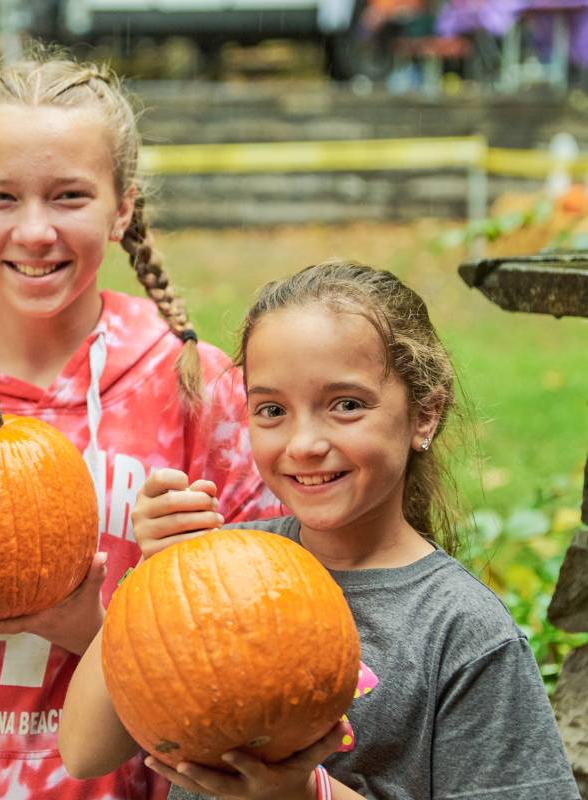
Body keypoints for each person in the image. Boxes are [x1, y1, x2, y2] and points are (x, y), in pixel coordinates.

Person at [0, 53, 282, 799]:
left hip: (123, 779)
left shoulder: (196, 390)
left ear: (121, 207)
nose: (34, 231)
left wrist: (85, 623)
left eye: (69, 196)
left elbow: (253, 633)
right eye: (1, 197)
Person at [59, 260, 581, 800]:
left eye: (346, 405)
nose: (304, 442)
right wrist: (153, 573)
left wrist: (308, 795)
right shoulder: (218, 571)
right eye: (271, 409)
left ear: (424, 413)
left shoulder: (462, 630)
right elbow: (84, 750)